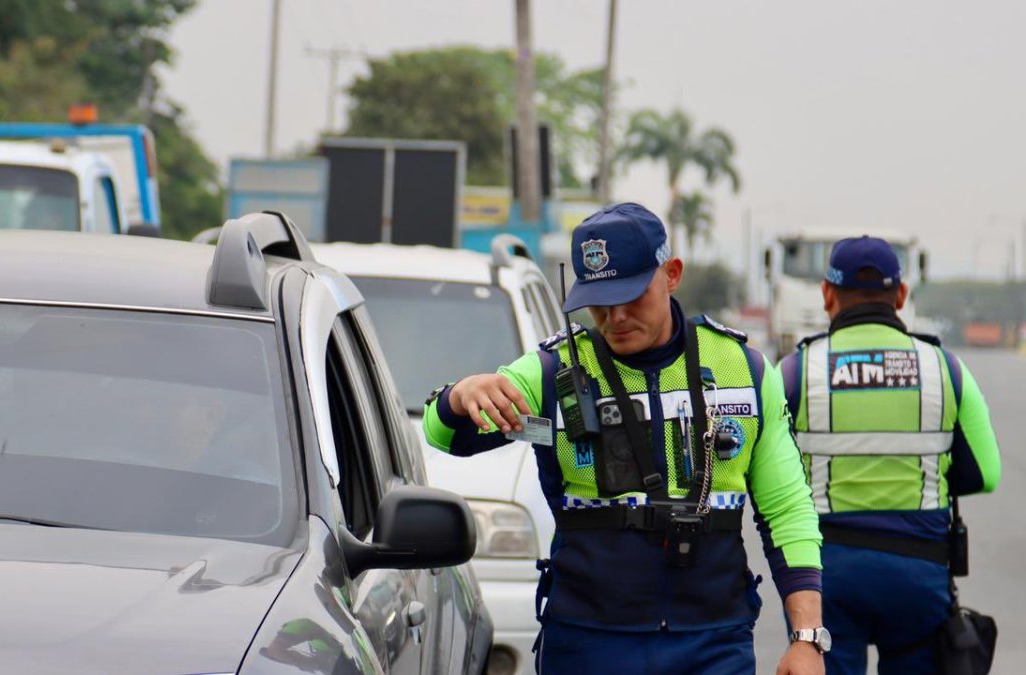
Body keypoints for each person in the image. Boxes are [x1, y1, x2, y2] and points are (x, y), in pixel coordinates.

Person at [423, 203, 826, 674]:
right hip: (589, 645)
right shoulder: (555, 371)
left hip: (713, 643)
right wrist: (460, 396)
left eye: (631, 296)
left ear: (671, 274)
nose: (614, 317)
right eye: (599, 301)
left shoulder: (746, 370)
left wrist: (807, 638)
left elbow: (787, 510)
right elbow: (444, 435)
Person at [779, 235, 1001, 674]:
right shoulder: (946, 368)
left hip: (828, 576)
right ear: (900, 294)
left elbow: (772, 475)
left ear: (827, 294)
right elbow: (986, 474)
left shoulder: (796, 370)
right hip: (919, 574)